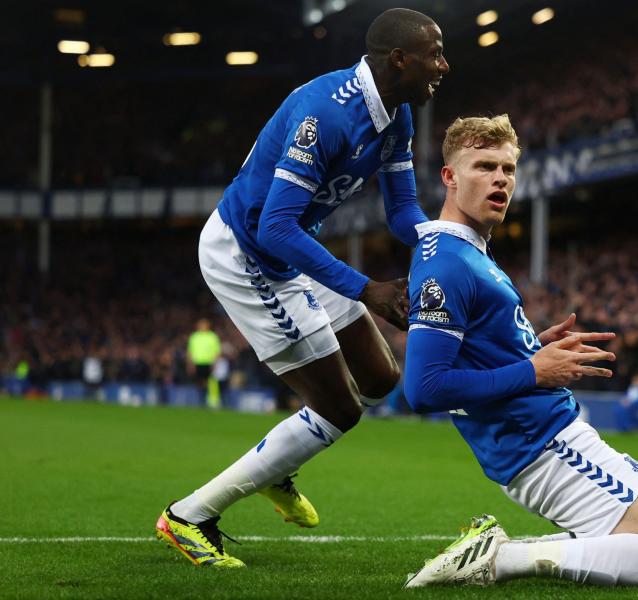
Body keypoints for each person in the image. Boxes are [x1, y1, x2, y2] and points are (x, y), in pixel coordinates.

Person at [155, 8, 450, 567]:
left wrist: (448, 244)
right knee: (340, 407)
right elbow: (273, 225)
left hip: (294, 246)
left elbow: (403, 210)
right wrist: (366, 289)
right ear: (399, 59)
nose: (444, 64)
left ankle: (277, 467)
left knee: (381, 377)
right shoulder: (325, 114)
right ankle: (189, 516)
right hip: (246, 254)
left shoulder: (398, 116)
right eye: (434, 54)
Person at [401, 115, 638, 590]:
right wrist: (532, 369)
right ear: (449, 176)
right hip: (547, 443)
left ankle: (501, 554)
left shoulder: (468, 251)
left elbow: (476, 351)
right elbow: (423, 389)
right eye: (484, 166)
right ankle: (500, 557)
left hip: (542, 440)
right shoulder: (447, 263)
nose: (500, 179)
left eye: (508, 169)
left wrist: (530, 347)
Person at [186, 319, 221, 408]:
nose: (202, 326)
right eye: (200, 324)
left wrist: (215, 363)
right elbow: (190, 351)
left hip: (209, 363)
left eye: (204, 324)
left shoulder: (212, 337)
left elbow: (217, 351)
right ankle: (199, 400)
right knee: (199, 382)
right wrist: (190, 363)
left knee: (210, 382)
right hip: (197, 362)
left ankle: (212, 401)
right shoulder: (194, 337)